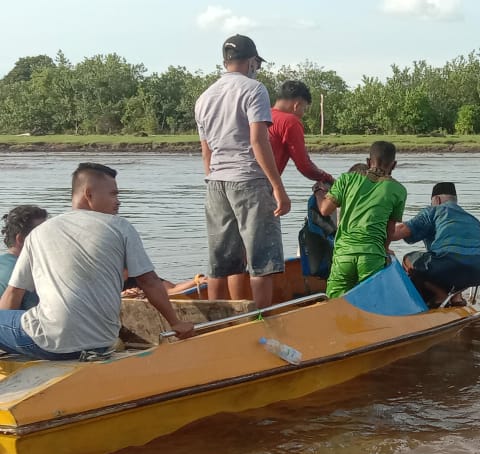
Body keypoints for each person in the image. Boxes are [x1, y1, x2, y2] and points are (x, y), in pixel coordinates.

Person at [0, 163, 193, 361]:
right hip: (103, 342)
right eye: (113, 194)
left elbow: (14, 292)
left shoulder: (39, 233)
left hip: (50, 342)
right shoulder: (121, 227)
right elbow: (149, 280)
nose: (118, 202)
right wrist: (175, 323)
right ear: (89, 194)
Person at [195, 33, 290, 309]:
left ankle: (216, 323)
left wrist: (214, 178)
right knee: (262, 257)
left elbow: (206, 152)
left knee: (221, 260)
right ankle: (262, 319)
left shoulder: (204, 98)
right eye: (256, 64)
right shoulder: (253, 89)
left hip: (215, 182)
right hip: (248, 179)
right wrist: (277, 187)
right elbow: (258, 141)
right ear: (250, 62)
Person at [320, 141, 407, 298]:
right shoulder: (398, 190)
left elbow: (325, 210)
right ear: (393, 165)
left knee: (334, 304)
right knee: (371, 302)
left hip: (344, 255)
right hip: (372, 256)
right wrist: (385, 249)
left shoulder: (347, 179)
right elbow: (390, 228)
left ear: (368, 162)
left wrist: (319, 191)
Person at [391, 182, 480, 307]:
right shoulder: (473, 219)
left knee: (409, 259)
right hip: (479, 273)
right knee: (453, 261)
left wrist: (375, 236)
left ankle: (440, 295)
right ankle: (456, 298)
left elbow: (401, 230)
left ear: (436, 200)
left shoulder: (434, 211)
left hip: (448, 265)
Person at [269, 80, 335, 185]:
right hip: (260, 185)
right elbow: (304, 166)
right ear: (297, 104)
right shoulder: (290, 121)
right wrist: (328, 178)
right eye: (304, 108)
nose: (303, 114)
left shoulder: (259, 115)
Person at [0, 206, 47, 310]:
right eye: (43, 234)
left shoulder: (2, 262)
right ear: (21, 239)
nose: (49, 239)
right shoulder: (28, 274)